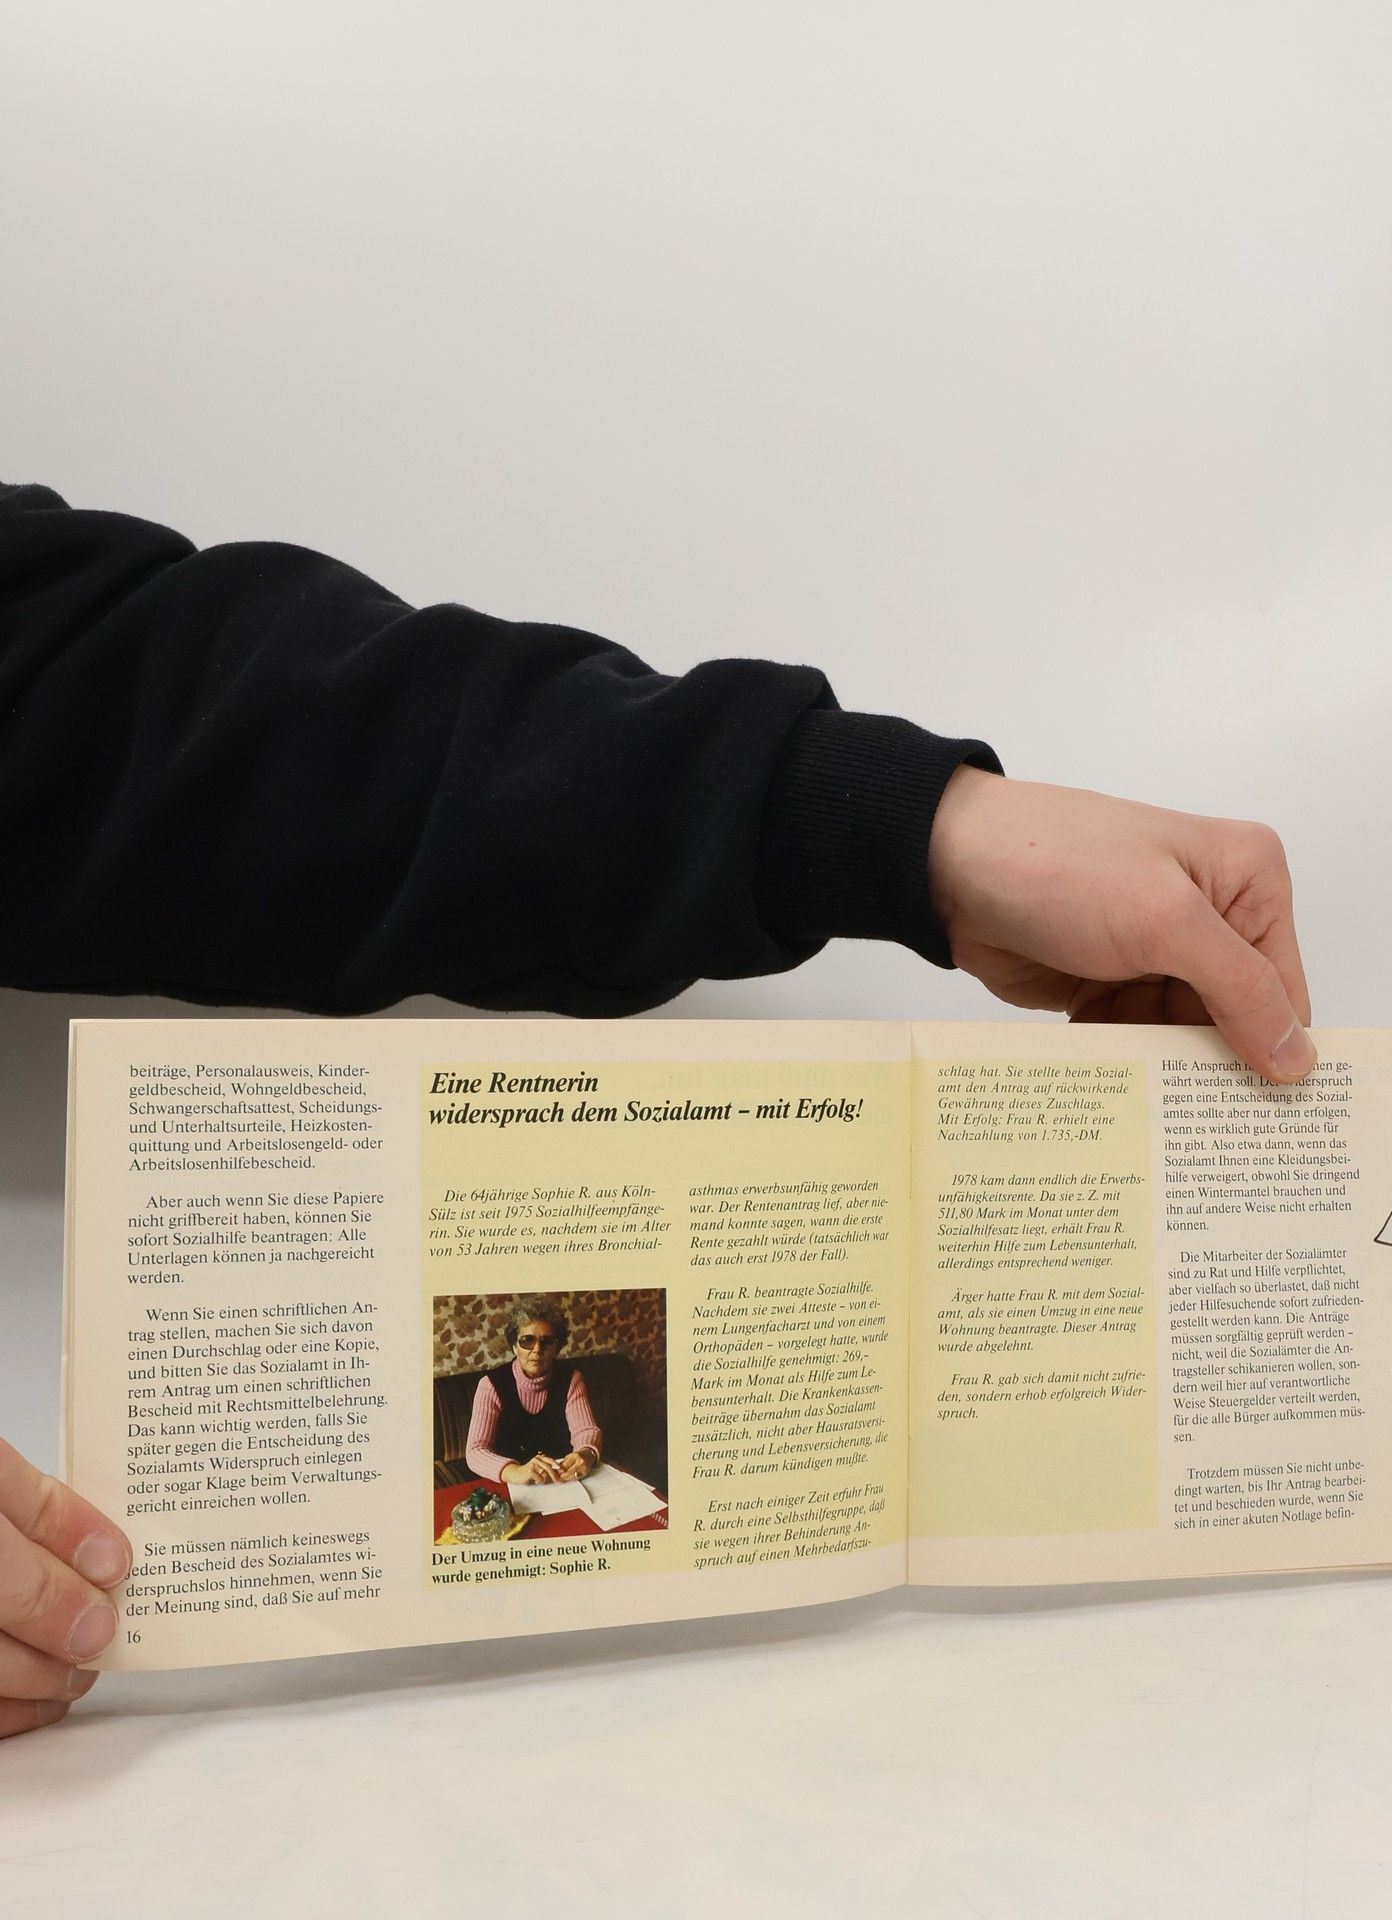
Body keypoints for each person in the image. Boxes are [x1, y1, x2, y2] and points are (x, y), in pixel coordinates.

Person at [0, 480, 1315, 1738]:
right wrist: (512, 1473)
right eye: (523, 1342)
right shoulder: (486, 1395)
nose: (530, 1355)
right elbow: (476, 1466)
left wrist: (910, 828)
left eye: (538, 1342)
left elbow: (143, 705)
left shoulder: (570, 1384)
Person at [464, 1299, 604, 1488]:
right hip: (512, 1483)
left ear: (556, 1349)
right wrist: (515, 1471)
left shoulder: (572, 1379)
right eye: (527, 1340)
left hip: (561, 1480)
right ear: (515, 1347)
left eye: (547, 1342)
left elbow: (586, 1430)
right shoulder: (490, 1385)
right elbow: (475, 1450)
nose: (537, 1350)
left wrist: (586, 1453)